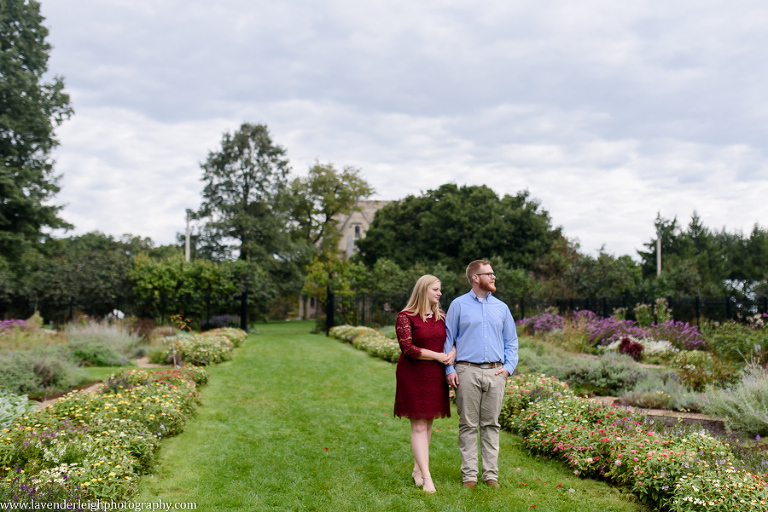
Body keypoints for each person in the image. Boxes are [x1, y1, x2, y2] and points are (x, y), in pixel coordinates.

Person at [443, 260, 518, 489]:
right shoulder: (459, 305)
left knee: (491, 425)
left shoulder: (502, 308)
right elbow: (448, 339)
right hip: (466, 371)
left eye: (493, 273)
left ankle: (491, 475)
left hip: (495, 372)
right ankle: (469, 476)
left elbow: (511, 341)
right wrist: (450, 369)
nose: (494, 277)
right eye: (489, 274)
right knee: (467, 424)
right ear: (475, 277)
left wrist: (507, 369)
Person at [394, 275, 456, 494]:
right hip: (413, 374)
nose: (440, 293)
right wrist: (439, 356)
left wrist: (451, 354)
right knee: (419, 425)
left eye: (440, 290)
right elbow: (408, 348)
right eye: (436, 289)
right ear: (423, 290)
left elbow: (453, 340)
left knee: (428, 424)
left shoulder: (441, 316)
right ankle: (427, 476)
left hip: (435, 375)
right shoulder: (406, 316)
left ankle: (417, 469)